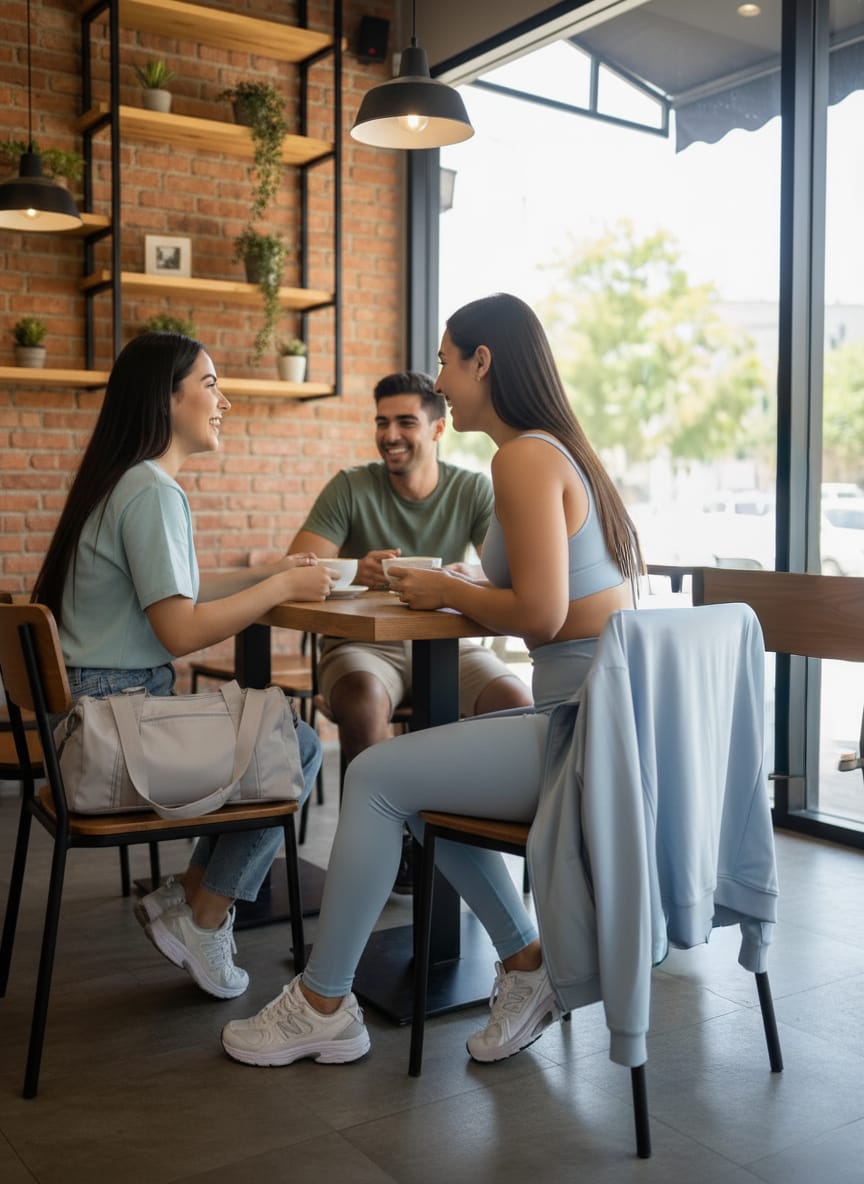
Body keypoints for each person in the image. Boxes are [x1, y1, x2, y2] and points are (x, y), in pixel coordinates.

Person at [221, 292, 643, 1068]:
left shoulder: (520, 457)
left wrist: (449, 589)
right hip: (608, 719)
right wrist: (459, 584)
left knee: (381, 775)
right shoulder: (556, 449)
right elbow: (550, 605)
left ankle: (322, 1005)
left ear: (484, 361)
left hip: (581, 727)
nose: (442, 376)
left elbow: (542, 617)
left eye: (448, 359)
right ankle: (525, 962)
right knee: (417, 783)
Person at [32, 332, 335, 1001]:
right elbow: (180, 629)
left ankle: (186, 899)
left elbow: (179, 594)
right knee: (300, 745)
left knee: (276, 740)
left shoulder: (126, 482)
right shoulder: (152, 492)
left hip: (88, 720)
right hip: (121, 723)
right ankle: (204, 913)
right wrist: (279, 591)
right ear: (166, 399)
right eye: (210, 383)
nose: (223, 400)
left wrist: (269, 571)